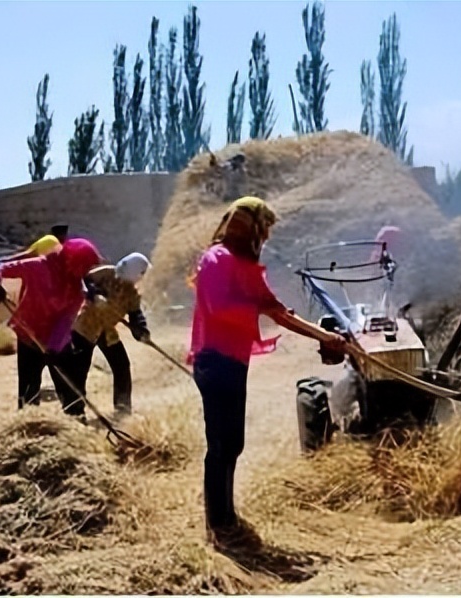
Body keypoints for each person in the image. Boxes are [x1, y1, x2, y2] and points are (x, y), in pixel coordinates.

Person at [188, 196, 348, 543]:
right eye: (265, 230)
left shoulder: (244, 266)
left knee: (233, 442)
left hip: (233, 361)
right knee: (220, 444)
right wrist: (256, 306)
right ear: (250, 228)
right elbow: (218, 306)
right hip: (214, 359)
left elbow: (278, 311)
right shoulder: (216, 258)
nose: (266, 238)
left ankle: (225, 515)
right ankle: (218, 524)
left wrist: (326, 336)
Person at [0, 238, 104, 417]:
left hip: (57, 341)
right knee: (28, 389)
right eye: (84, 266)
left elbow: (66, 320)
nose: (86, 272)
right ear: (72, 261)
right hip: (29, 333)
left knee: (69, 388)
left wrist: (53, 348)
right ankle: (28, 425)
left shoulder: (77, 288)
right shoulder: (38, 266)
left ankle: (77, 420)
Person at [69, 253, 153, 416]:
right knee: (79, 370)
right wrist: (95, 295)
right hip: (86, 327)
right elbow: (84, 282)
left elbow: (136, 314)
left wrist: (141, 330)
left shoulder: (131, 293)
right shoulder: (106, 273)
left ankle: (123, 408)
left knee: (121, 366)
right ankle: (76, 411)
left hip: (107, 331)